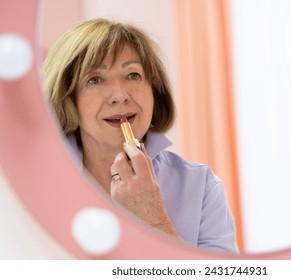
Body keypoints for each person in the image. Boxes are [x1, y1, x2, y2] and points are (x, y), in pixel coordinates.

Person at [42, 18, 238, 253]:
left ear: (154, 90)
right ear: (67, 98)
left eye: (133, 75)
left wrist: (155, 219)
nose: (119, 95)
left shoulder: (201, 187)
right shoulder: (38, 184)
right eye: (95, 79)